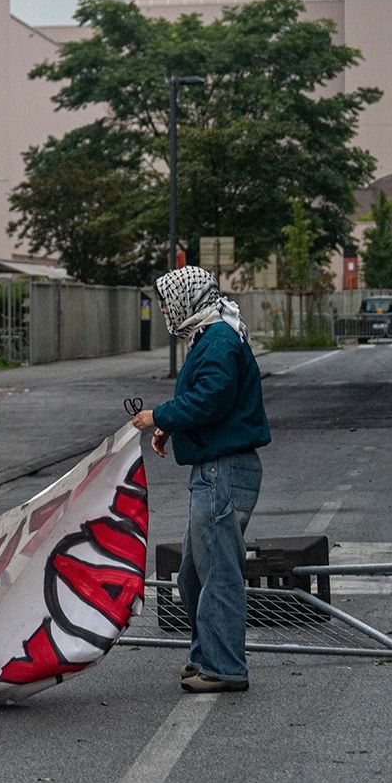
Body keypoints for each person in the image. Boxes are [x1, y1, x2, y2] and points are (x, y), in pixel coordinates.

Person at [130, 266, 269, 695]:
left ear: (189, 298)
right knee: (194, 574)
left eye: (171, 301)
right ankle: (206, 656)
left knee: (218, 574)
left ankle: (225, 667)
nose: (168, 310)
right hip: (216, 470)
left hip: (221, 472)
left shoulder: (218, 341)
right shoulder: (212, 337)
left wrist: (160, 415)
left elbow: (210, 399)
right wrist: (171, 427)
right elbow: (208, 399)